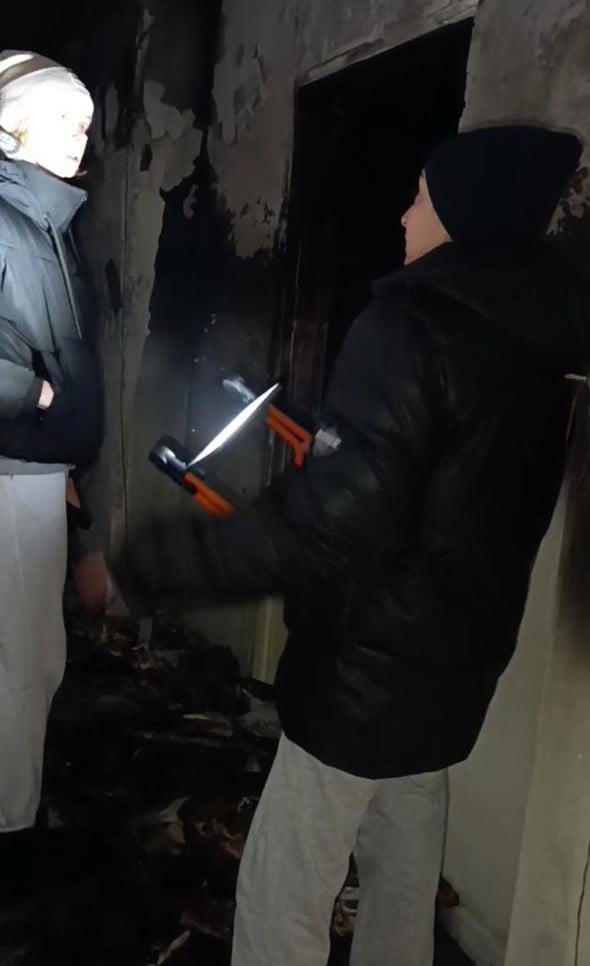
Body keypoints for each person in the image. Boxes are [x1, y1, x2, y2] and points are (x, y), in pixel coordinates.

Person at [120, 125, 588, 966]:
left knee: (284, 892)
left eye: (420, 197)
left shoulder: (409, 328)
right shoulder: (541, 356)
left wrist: (151, 564)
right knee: (402, 881)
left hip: (360, 673)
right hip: (454, 669)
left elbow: (326, 526)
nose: (405, 217)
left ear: (464, 212)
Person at [0, 50, 106, 880]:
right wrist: (31, 392)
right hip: (7, 471)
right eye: (62, 117)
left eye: (86, 121)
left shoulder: (46, 222)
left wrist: (68, 470)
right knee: (20, 663)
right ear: (10, 126)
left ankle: (16, 812)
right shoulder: (8, 219)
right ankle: (11, 832)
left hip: (35, 473)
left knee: (34, 658)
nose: (80, 135)